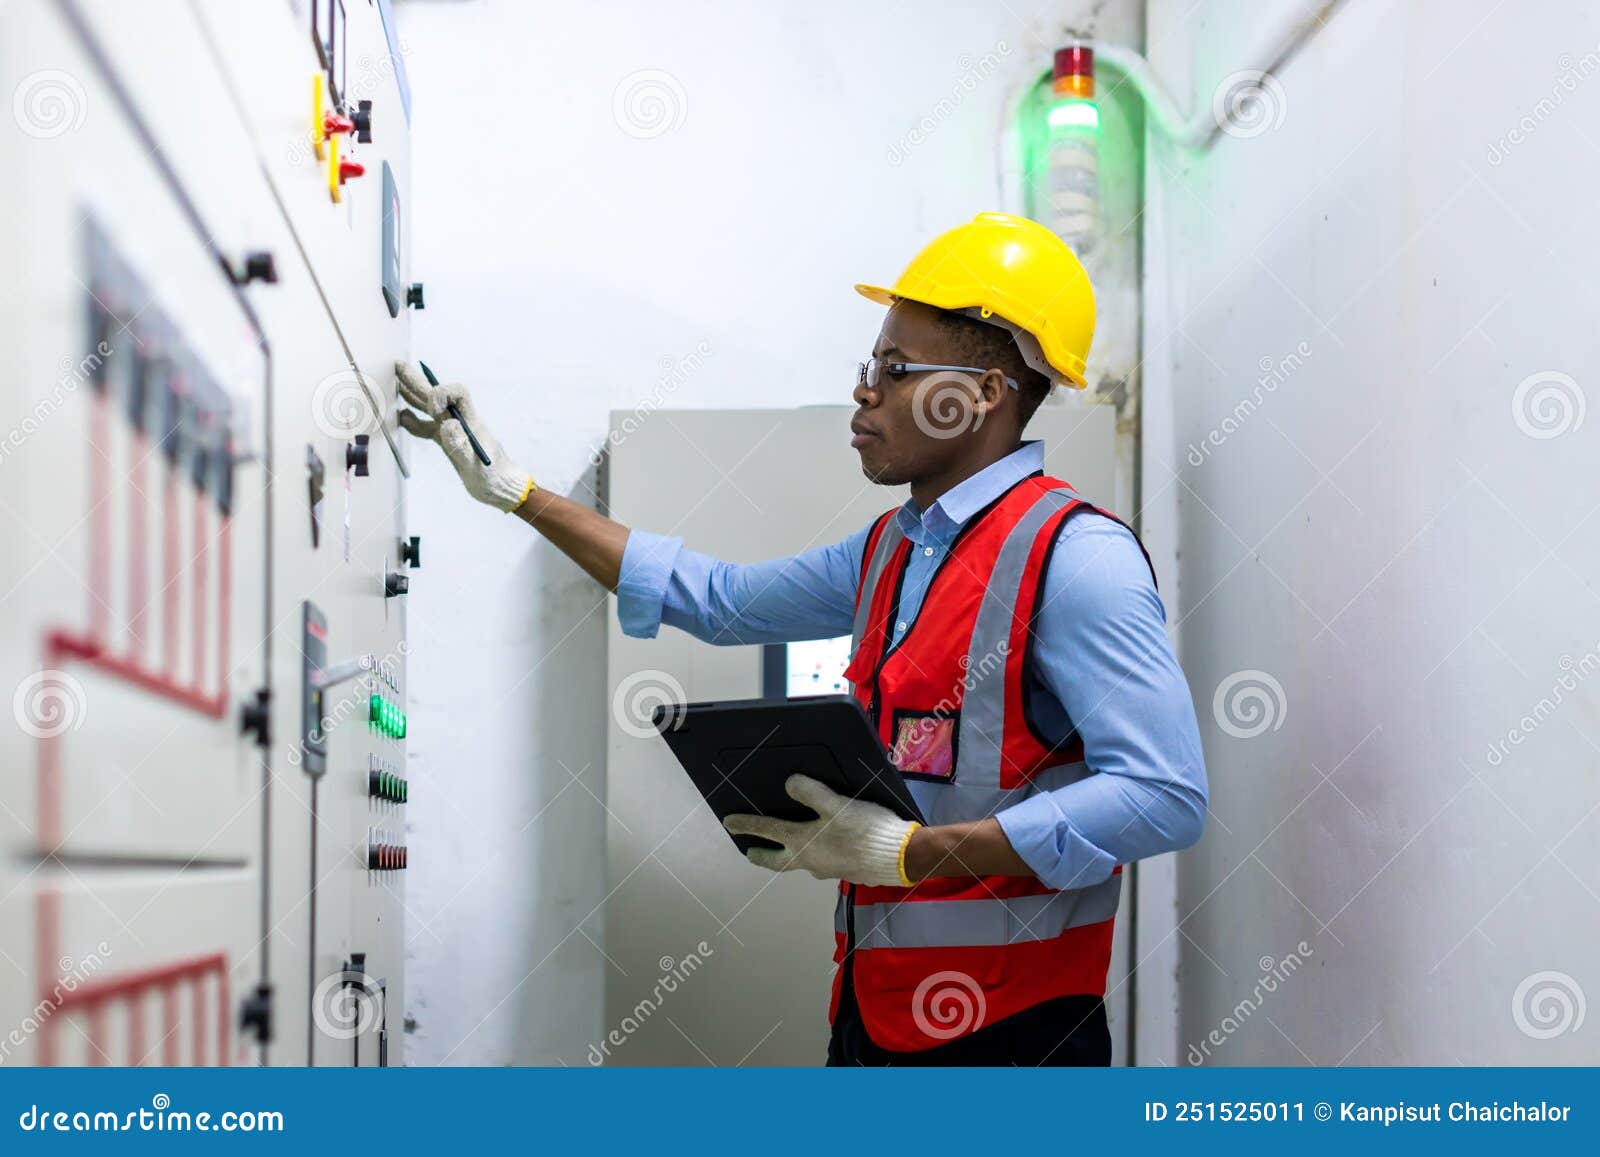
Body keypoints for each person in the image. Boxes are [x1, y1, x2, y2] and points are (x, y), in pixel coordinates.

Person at [396, 212, 1207, 1067]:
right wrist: (518, 491)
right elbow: (718, 599)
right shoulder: (893, 548)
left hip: (1016, 1039)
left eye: (895, 371)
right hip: (870, 1014)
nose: (865, 392)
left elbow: (1164, 792)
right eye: (871, 367)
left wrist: (916, 854)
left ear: (984, 394)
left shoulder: (1077, 558)